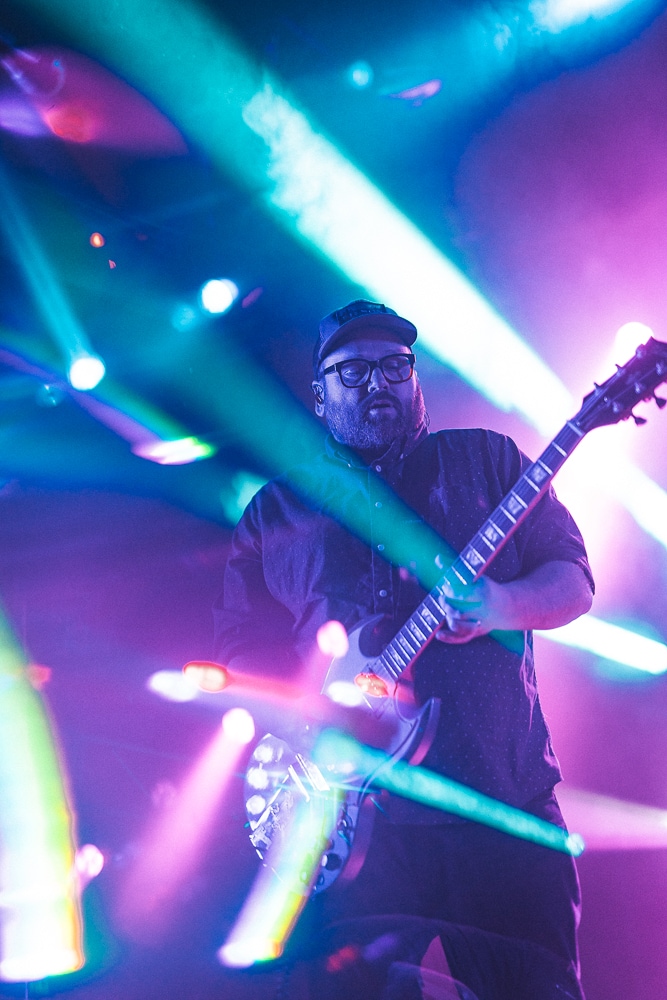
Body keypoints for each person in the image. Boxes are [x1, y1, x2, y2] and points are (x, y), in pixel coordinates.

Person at [214, 300, 594, 1000]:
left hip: (501, 806)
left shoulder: (488, 461)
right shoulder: (277, 511)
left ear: (414, 379)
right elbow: (241, 656)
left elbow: (573, 580)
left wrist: (501, 606)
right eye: (351, 372)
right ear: (319, 394)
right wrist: (311, 714)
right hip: (359, 830)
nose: (375, 384)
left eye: (393, 367)